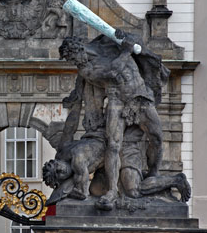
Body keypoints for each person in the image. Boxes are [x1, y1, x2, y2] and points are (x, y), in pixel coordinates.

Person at [59, 33, 167, 210]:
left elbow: (137, 42)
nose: (74, 62)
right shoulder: (86, 69)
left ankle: (154, 174)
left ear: (79, 49)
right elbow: (112, 72)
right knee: (113, 145)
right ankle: (112, 190)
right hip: (117, 101)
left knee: (157, 138)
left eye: (72, 57)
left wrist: (128, 39)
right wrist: (126, 51)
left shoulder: (107, 44)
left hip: (140, 96)